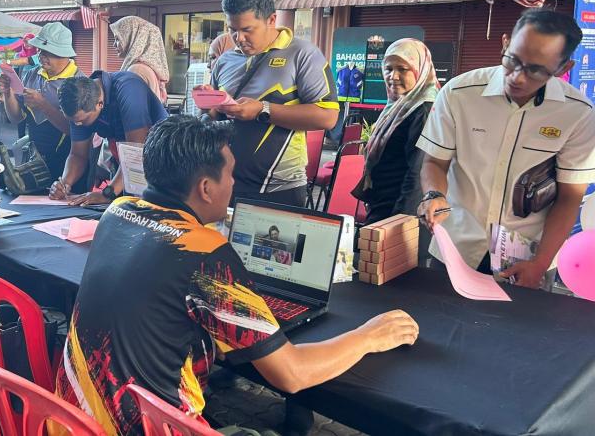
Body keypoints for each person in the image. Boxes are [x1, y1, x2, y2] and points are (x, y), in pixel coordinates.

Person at [55, 115, 419, 435]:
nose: (233, 184)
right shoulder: (203, 252)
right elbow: (291, 374)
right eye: (231, 173)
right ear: (205, 188)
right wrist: (369, 336)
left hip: (71, 420)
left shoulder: (117, 212)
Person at [418, 9, 595, 288]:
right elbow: (434, 162)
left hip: (529, 257)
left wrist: (540, 263)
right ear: (505, 43)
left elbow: (569, 197)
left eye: (536, 70)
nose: (518, 78)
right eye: (512, 60)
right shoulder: (459, 93)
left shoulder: (578, 114)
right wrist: (434, 195)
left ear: (563, 68)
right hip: (456, 247)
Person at [202, 0, 339, 207]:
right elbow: (214, 115)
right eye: (232, 30)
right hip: (225, 181)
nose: (239, 38)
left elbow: (328, 116)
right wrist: (209, 104)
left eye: (247, 30)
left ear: (271, 20)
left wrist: (262, 110)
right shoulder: (225, 61)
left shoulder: (303, 54)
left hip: (280, 187)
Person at [352, 39, 439, 224]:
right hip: (383, 203)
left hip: (398, 210)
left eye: (402, 69)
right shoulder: (399, 106)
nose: (393, 76)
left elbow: (417, 173)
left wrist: (399, 221)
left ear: (420, 70)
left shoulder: (423, 111)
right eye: (388, 69)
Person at [50, 73, 168, 205]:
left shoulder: (128, 89)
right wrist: (64, 184)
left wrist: (107, 194)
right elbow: (78, 154)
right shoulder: (79, 102)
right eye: (73, 121)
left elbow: (136, 151)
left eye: (81, 120)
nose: (77, 125)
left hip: (163, 163)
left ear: (100, 104)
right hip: (128, 166)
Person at [0, 23, 88, 192]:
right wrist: (7, 92)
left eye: (47, 52)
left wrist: (43, 104)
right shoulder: (31, 74)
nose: (41, 56)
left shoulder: (80, 83)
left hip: (68, 164)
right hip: (36, 162)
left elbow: (75, 130)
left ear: (63, 54)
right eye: (40, 50)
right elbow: (16, 118)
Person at [110, 16, 171, 103]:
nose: (114, 44)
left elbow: (130, 106)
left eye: (118, 39)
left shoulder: (137, 70)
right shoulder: (146, 67)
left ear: (132, 39)